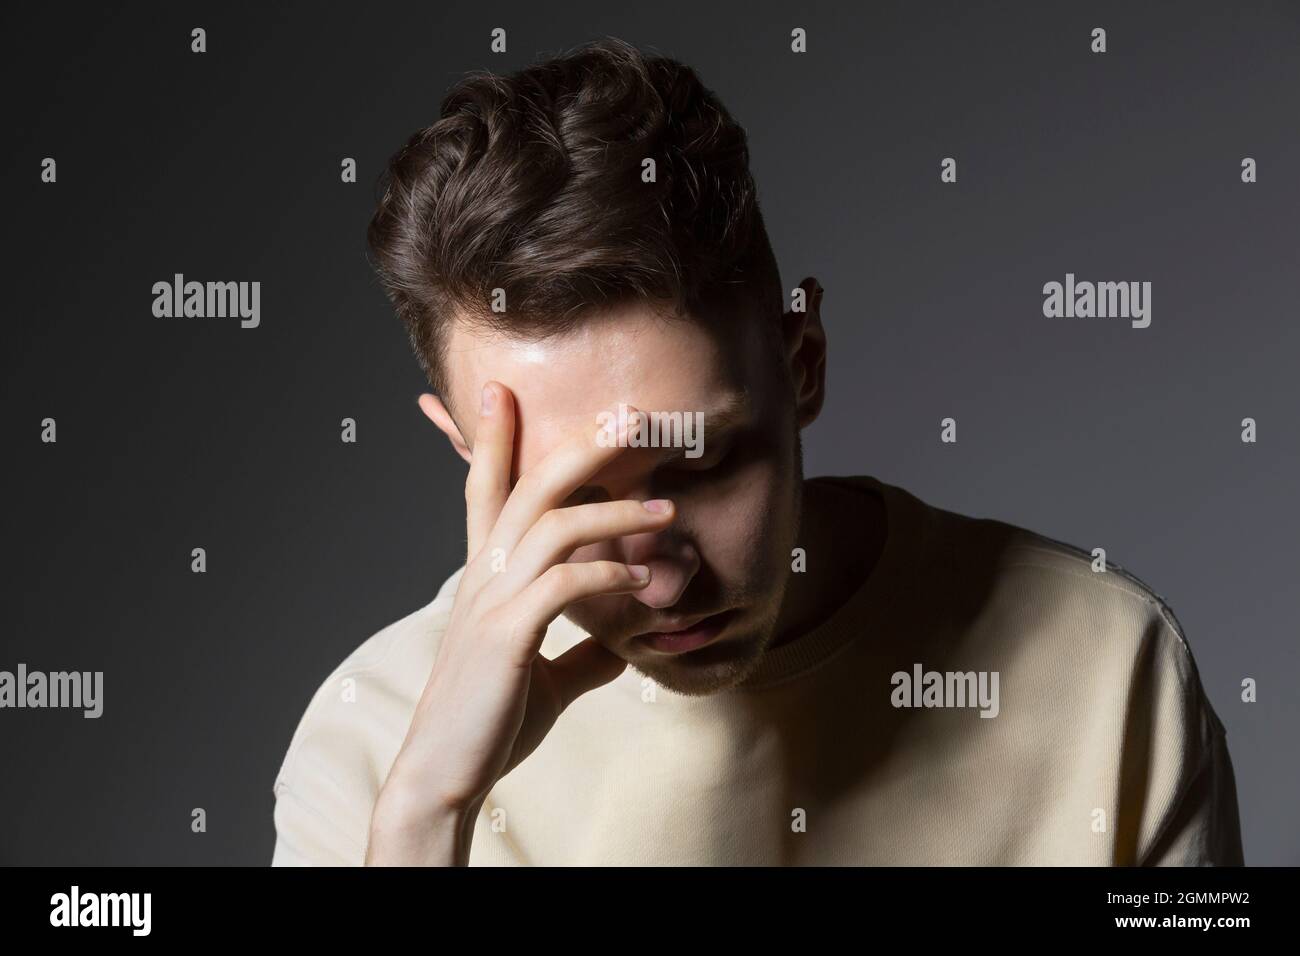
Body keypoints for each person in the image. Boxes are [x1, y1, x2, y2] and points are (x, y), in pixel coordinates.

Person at [270, 37, 1243, 866]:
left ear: (802, 366)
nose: (658, 581)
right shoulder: (374, 739)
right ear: (465, 451)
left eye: (697, 466)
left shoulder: (1109, 666)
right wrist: (426, 813)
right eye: (564, 495)